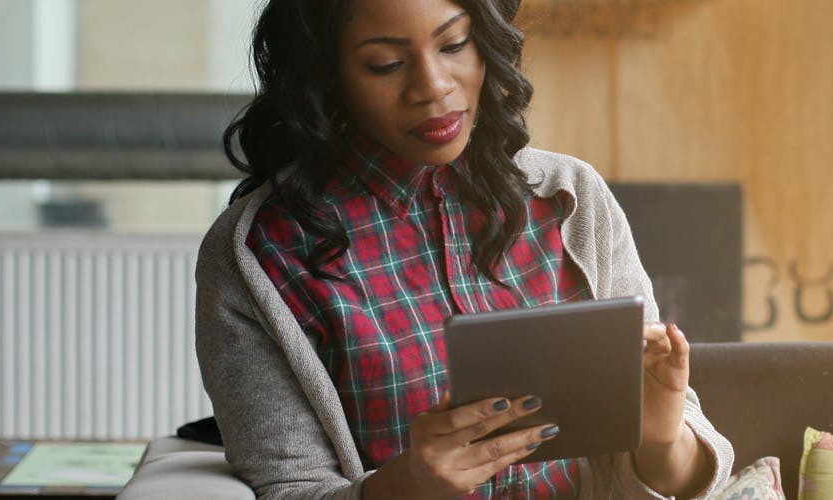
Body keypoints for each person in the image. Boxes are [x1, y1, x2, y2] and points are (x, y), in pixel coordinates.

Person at [194, 0, 733, 497]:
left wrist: (662, 438)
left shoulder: (568, 197)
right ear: (326, 78)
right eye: (384, 63)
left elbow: (678, 477)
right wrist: (410, 484)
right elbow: (290, 489)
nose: (433, 86)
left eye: (453, 45)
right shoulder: (257, 255)